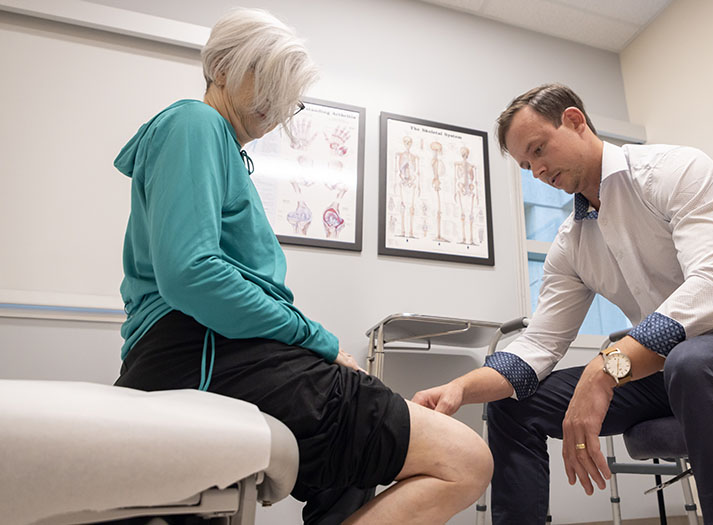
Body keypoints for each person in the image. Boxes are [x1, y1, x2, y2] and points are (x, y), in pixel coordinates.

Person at [113, 8, 491, 525]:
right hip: (198, 351)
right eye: (264, 79)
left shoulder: (223, 148)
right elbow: (192, 274)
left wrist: (311, 343)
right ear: (221, 68)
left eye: (286, 90)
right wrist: (319, 340)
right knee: (466, 460)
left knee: (350, 471)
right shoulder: (193, 122)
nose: (276, 103)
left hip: (216, 349)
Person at [413, 84, 713, 525]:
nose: (537, 170)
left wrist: (604, 369)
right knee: (515, 404)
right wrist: (462, 388)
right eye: (526, 164)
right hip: (677, 370)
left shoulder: (676, 170)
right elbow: (538, 345)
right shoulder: (571, 244)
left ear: (575, 121)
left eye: (539, 150)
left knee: (695, 361)